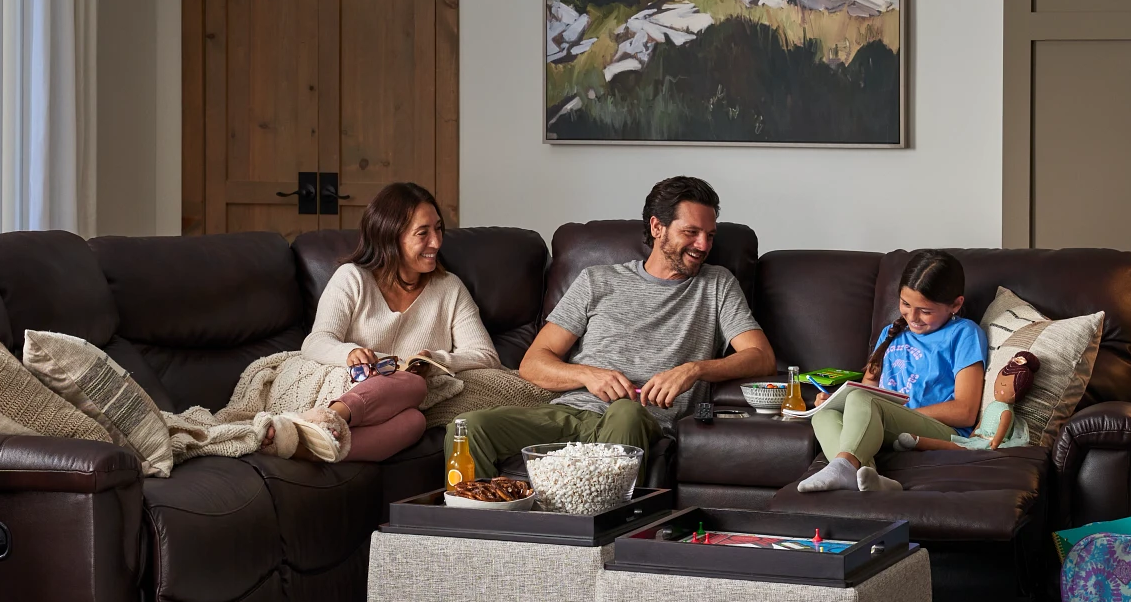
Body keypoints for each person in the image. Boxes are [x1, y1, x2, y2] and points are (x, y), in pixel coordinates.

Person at [450, 176, 776, 479]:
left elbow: (761, 356)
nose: (703, 245)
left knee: (625, 413)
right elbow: (532, 364)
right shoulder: (597, 280)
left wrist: (693, 370)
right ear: (657, 227)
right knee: (469, 426)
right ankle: (476, 535)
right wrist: (589, 375)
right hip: (572, 413)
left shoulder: (717, 284)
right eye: (691, 232)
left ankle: (597, 535)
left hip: (639, 420)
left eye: (710, 235)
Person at [292, 181, 499, 462]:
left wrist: (434, 360)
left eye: (438, 229)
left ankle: (308, 451)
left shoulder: (449, 287)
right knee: (413, 385)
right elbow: (315, 342)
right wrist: (350, 352)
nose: (436, 242)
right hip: (352, 387)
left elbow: (486, 356)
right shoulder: (352, 278)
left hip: (404, 403)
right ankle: (328, 419)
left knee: (415, 422)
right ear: (390, 238)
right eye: (423, 233)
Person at [798, 249, 987, 494]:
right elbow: (865, 391)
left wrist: (893, 413)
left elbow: (965, 412)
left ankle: (846, 468)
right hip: (885, 422)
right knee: (823, 416)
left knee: (864, 401)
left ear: (956, 305)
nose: (913, 317)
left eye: (925, 310)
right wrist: (834, 402)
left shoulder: (964, 334)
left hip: (939, 429)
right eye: (905, 304)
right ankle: (867, 478)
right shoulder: (892, 333)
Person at [896, 350, 1039, 452]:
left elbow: (1002, 430)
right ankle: (911, 442)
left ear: (1018, 393)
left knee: (951, 446)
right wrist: (972, 436)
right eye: (998, 384)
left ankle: (916, 441)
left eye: (1003, 387)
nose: (997, 390)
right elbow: (981, 423)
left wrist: (995, 444)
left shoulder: (1006, 412)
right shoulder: (993, 406)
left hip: (989, 443)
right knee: (955, 444)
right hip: (978, 439)